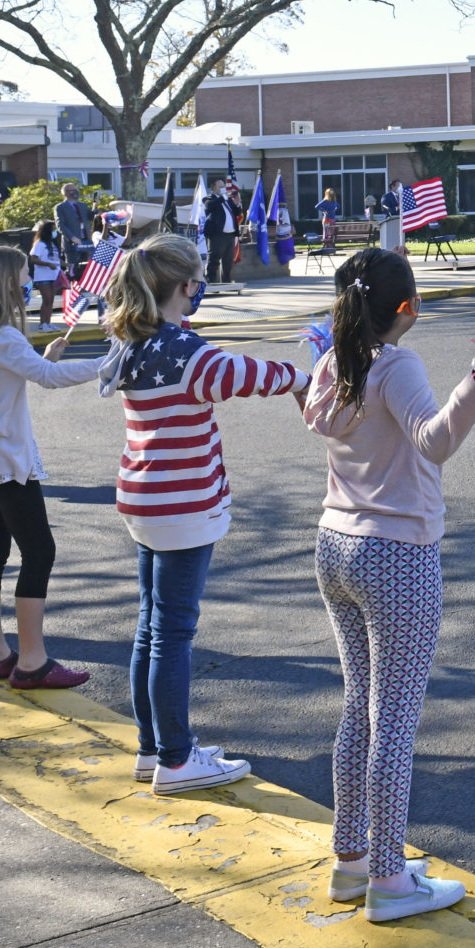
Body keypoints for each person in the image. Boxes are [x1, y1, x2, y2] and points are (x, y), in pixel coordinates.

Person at [299, 247, 475, 921]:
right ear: (406, 308)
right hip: (396, 556)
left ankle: (351, 860)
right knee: (395, 721)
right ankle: (389, 880)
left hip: (335, 546)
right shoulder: (396, 364)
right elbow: (434, 440)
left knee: (360, 706)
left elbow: (323, 411)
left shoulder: (332, 363)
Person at [101, 233, 306, 792]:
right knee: (173, 632)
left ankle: (155, 746)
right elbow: (249, 375)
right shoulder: (189, 354)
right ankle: (175, 758)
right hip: (183, 503)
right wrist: (302, 379)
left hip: (144, 498)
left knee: (152, 626)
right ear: (187, 288)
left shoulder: (135, 342)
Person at [0, 244, 100, 689]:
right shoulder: (4, 336)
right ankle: (32, 660)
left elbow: (26, 375)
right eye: (22, 273)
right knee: (39, 553)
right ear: (3, 281)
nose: (28, 280)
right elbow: (49, 380)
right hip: (6, 459)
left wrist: (46, 358)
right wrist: (111, 362)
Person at [201, 185, 238, 283]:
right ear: (213, 189)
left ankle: (227, 282)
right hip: (217, 235)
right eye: (220, 186)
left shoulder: (227, 200)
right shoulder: (209, 198)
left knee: (228, 261)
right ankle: (211, 282)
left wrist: (237, 205)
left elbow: (236, 213)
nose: (223, 188)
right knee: (214, 259)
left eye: (223, 186)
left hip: (230, 235)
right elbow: (209, 206)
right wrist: (224, 197)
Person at [29, 219, 65, 318]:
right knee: (47, 300)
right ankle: (43, 324)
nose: (55, 232)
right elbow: (33, 260)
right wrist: (48, 264)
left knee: (51, 301)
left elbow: (57, 259)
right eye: (53, 230)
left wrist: (66, 264)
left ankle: (48, 323)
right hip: (43, 277)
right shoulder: (39, 244)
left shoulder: (54, 244)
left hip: (54, 276)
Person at [54, 184, 94, 271]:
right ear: (65, 193)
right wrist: (72, 237)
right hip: (72, 244)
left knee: (85, 269)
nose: (75, 192)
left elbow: (91, 217)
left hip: (85, 241)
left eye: (76, 189)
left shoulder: (82, 205)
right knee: (73, 270)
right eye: (72, 190)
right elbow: (60, 225)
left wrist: (95, 205)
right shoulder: (60, 207)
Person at [314, 183, 342, 258]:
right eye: (330, 192)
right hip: (326, 219)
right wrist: (323, 211)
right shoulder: (325, 201)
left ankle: (330, 245)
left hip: (332, 219)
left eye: (332, 192)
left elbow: (338, 206)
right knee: (326, 232)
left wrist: (335, 209)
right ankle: (325, 245)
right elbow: (317, 206)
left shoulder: (334, 201)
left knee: (331, 233)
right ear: (327, 194)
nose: (332, 193)